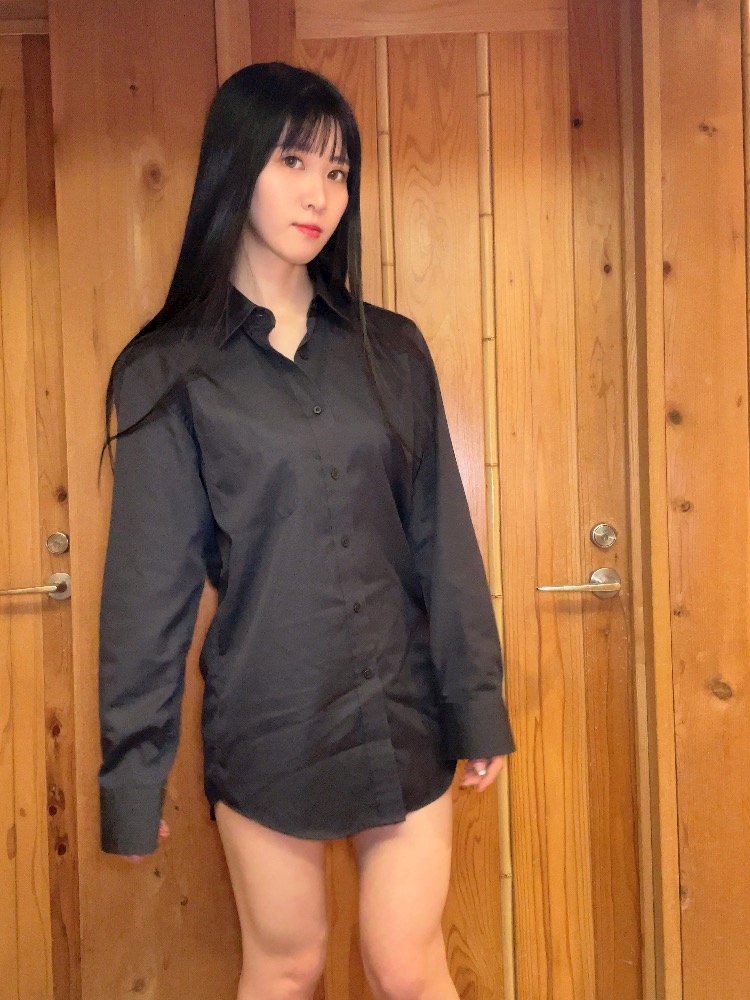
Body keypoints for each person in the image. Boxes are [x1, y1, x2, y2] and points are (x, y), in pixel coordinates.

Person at [98, 61, 515, 1000]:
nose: (319, 194)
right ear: (235, 166)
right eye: (292, 162)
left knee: (407, 964)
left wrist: (475, 699)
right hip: (270, 716)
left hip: (402, 707)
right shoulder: (168, 370)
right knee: (288, 968)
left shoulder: (390, 348)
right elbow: (148, 589)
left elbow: (441, 538)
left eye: (337, 172)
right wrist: (134, 771)